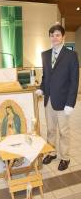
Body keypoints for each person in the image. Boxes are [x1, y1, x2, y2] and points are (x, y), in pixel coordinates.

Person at [36, 24, 79, 171]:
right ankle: (52, 152)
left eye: (57, 35)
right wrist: (42, 88)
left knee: (64, 132)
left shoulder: (71, 55)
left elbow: (74, 81)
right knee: (50, 130)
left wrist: (70, 103)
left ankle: (65, 157)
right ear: (49, 37)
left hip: (63, 102)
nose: (54, 38)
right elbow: (45, 76)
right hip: (48, 100)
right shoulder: (45, 54)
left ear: (63, 37)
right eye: (52, 35)